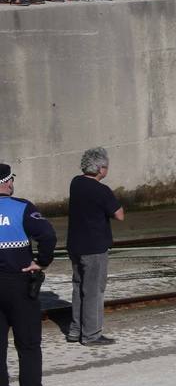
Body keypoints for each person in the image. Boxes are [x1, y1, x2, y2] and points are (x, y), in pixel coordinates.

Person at [0, 162, 58, 386]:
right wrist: (41, 262)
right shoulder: (22, 208)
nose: (12, 184)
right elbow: (48, 235)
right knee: (29, 349)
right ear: (6, 182)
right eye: (10, 180)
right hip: (19, 285)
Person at [66, 147, 123, 346]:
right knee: (94, 290)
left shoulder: (76, 183)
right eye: (106, 167)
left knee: (78, 287)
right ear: (100, 169)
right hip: (94, 247)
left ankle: (75, 330)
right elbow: (119, 215)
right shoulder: (102, 190)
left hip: (75, 245)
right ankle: (91, 334)